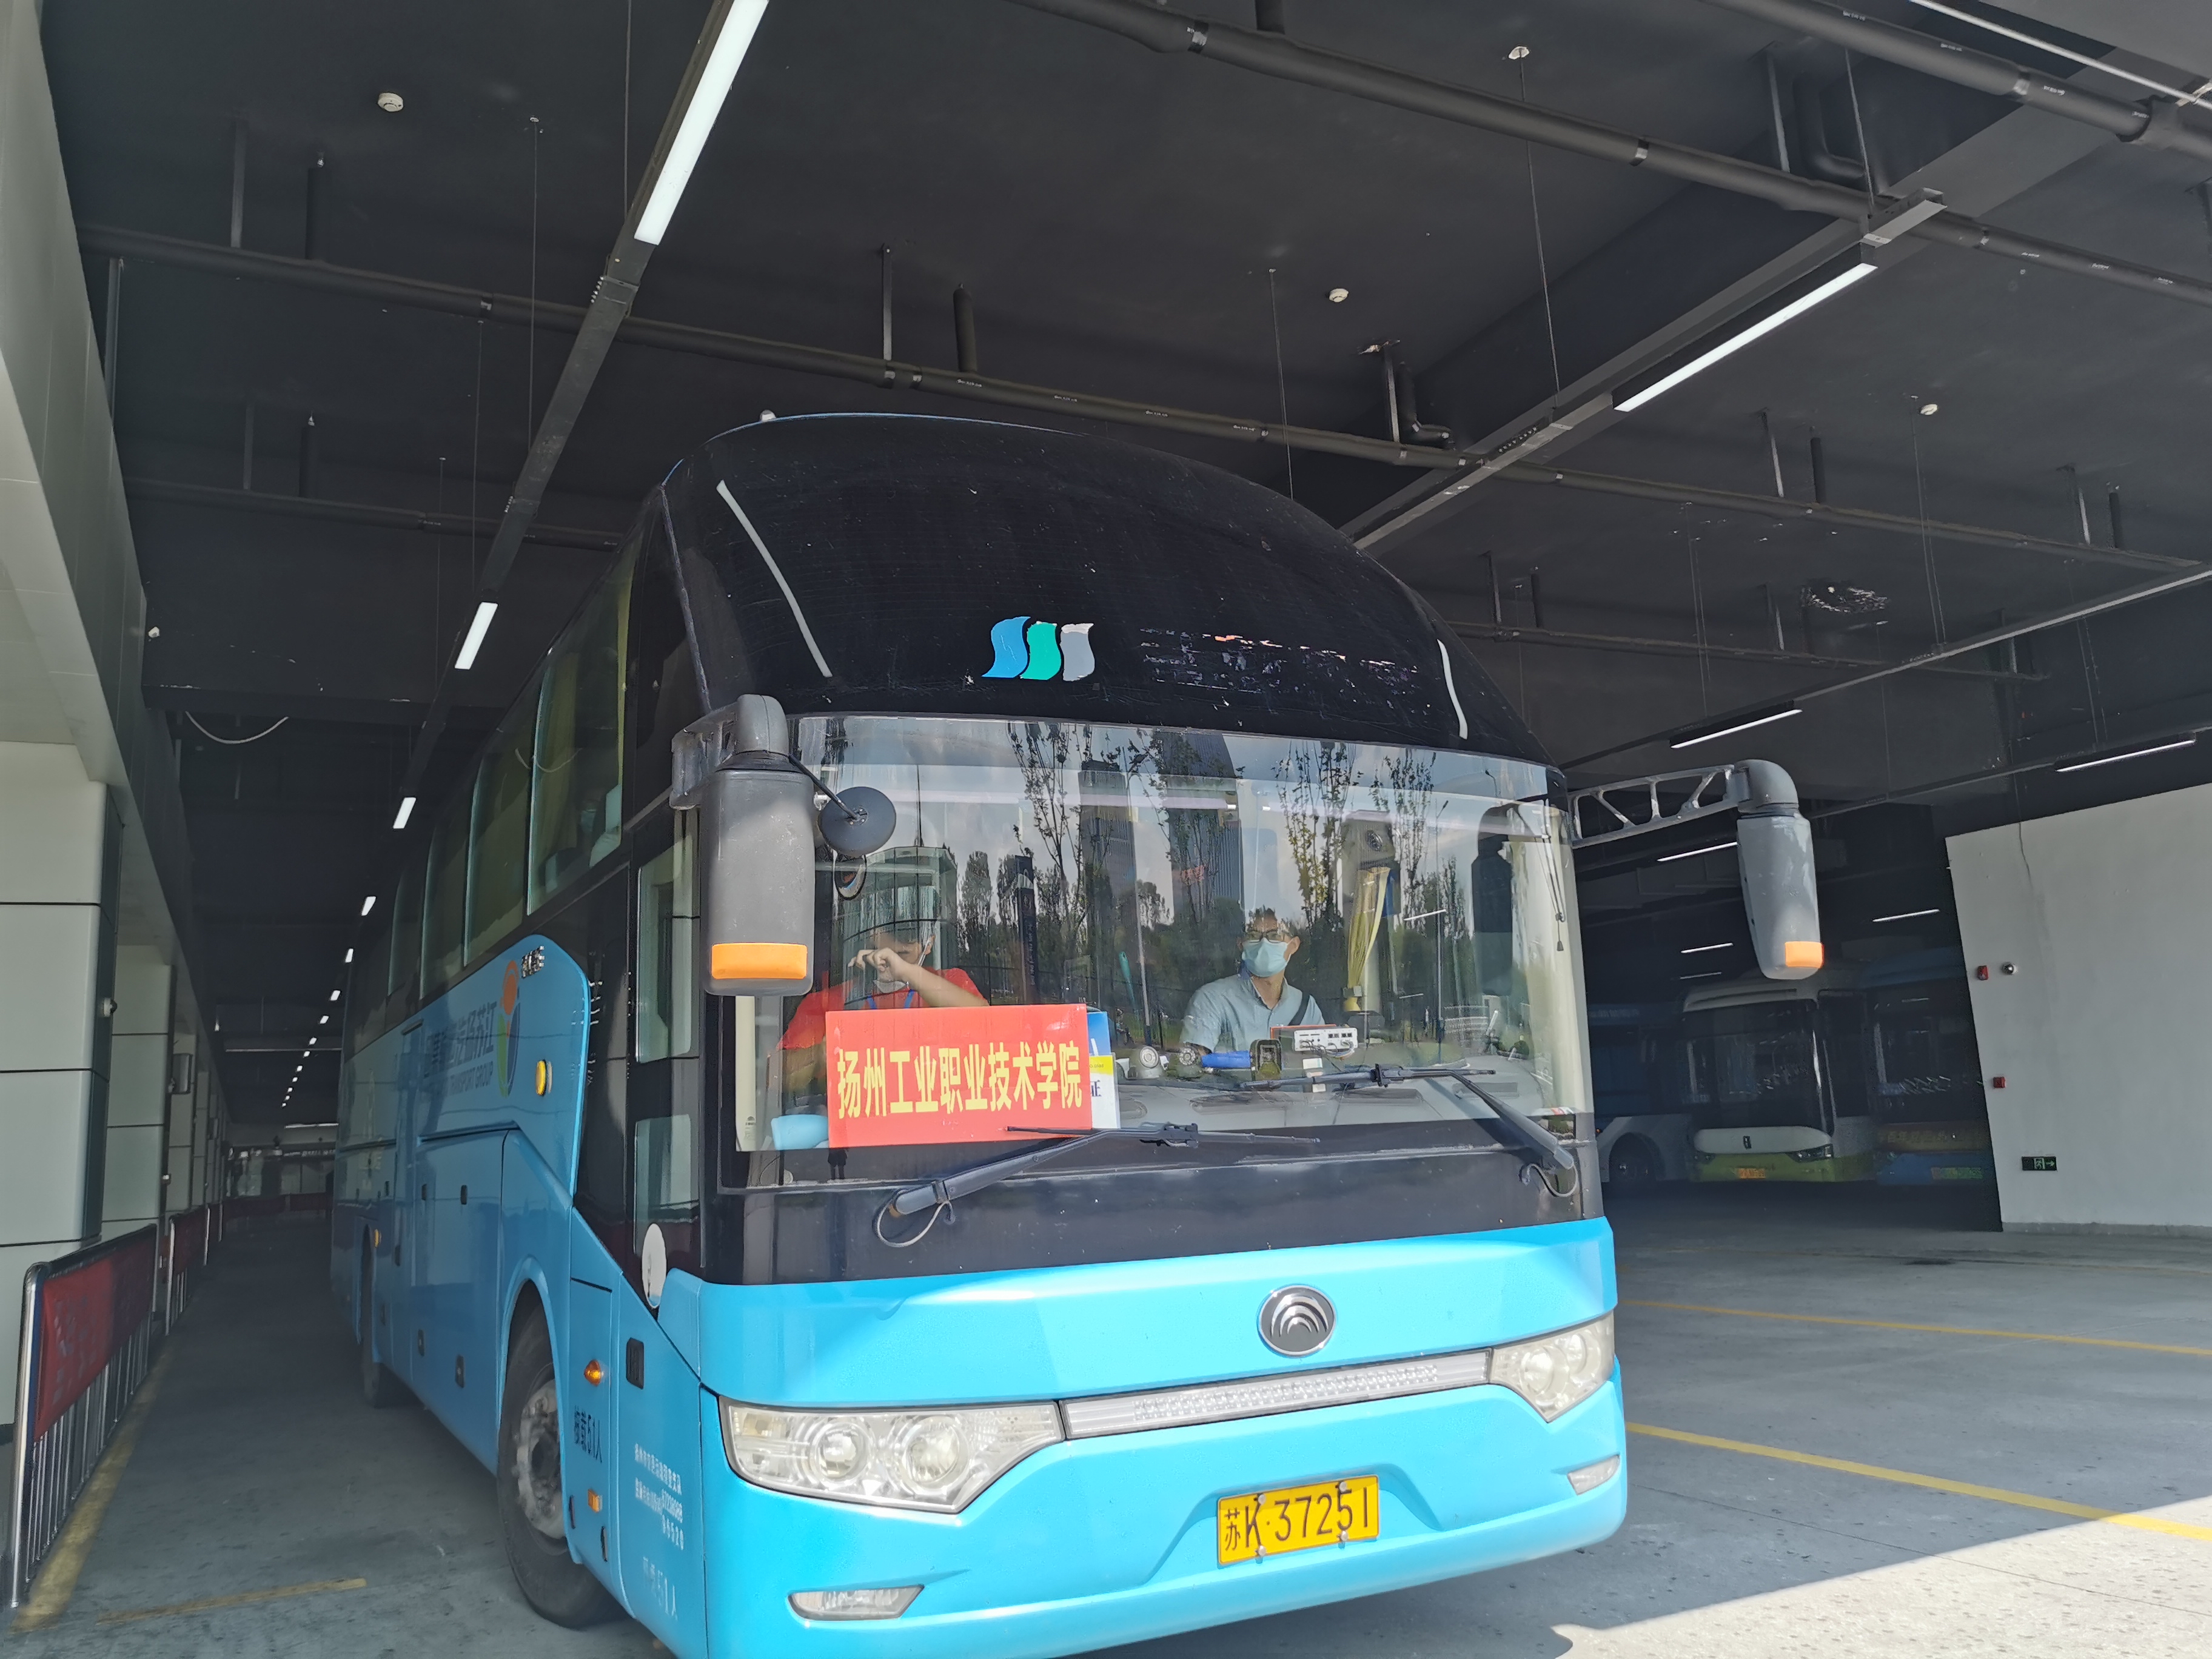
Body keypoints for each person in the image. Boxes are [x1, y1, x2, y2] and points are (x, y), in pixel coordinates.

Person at [779, 924, 987, 1091]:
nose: (906, 940)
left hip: (942, 1119)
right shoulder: (829, 1001)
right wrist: (821, 1054)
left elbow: (987, 1024)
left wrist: (907, 972)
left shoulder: (951, 983)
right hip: (857, 1124)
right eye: (895, 931)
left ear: (929, 943)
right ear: (874, 934)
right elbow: (777, 1080)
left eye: (916, 933)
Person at [1181, 910, 1326, 1055]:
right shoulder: (1211, 1000)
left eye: (1275, 936)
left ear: (1293, 945)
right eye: (1253, 936)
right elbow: (1193, 1063)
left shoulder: (1307, 1006)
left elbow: (1324, 1062)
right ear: (1241, 945)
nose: (1264, 943)